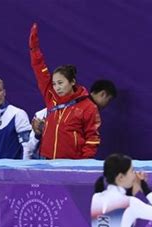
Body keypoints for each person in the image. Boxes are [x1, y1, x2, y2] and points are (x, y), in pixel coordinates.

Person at [29, 23, 102, 159]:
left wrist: (83, 164)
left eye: (61, 83)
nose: (57, 87)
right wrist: (34, 49)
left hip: (71, 163)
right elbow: (39, 69)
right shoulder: (51, 97)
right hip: (47, 160)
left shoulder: (88, 107)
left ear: (72, 82)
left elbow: (92, 139)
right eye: (54, 84)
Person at [26, 79, 117, 159]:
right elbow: (92, 140)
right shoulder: (89, 109)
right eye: (108, 100)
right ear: (103, 94)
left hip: (61, 159)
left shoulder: (84, 108)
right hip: (58, 159)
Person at [0, 77, 32, 159]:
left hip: (10, 171)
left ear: (4, 92)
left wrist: (23, 170)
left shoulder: (17, 114)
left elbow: (27, 148)